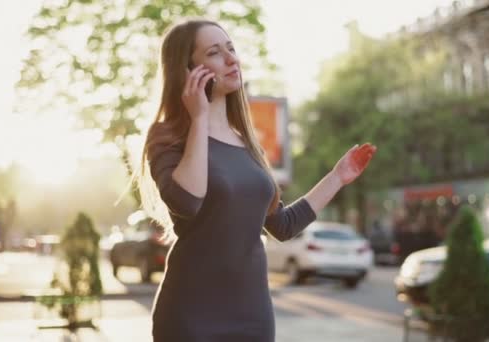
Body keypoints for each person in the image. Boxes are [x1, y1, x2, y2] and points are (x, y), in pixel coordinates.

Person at [139, 19, 377, 342]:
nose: (231, 59)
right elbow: (187, 201)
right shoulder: (166, 138)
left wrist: (337, 177)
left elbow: (282, 225)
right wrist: (199, 117)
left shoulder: (249, 145)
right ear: (187, 70)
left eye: (231, 49)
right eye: (214, 52)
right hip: (189, 316)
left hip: (252, 316)